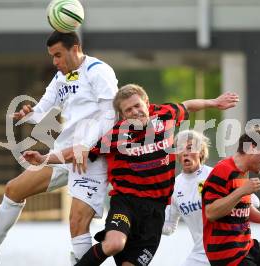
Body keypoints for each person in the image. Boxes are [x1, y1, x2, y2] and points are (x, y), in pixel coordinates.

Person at [23, 84, 239, 266]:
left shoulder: (164, 114)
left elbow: (188, 105)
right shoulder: (116, 135)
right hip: (126, 203)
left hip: (155, 211)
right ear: (122, 115)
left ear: (147, 102)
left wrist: (215, 102)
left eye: (138, 105)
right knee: (114, 243)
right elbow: (78, 152)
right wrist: (45, 158)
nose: (135, 112)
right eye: (128, 110)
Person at [0, 31, 118, 266]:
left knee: (77, 224)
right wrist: (28, 115)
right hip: (64, 154)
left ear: (75, 48)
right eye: (52, 56)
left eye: (58, 55)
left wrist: (84, 144)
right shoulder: (61, 78)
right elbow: (42, 110)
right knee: (14, 189)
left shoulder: (99, 71)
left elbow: (110, 114)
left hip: (90, 159)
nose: (55, 62)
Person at [202, 127, 260, 266]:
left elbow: (242, 208)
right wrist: (241, 191)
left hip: (247, 246)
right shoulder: (223, 170)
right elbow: (211, 212)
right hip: (227, 254)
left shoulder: (243, 172)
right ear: (253, 148)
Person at [162, 130, 260, 266]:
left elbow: (254, 201)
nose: (185, 152)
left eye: (190, 147)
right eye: (180, 148)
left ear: (201, 151)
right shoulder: (174, 187)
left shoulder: (216, 174)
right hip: (200, 254)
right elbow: (169, 227)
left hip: (229, 249)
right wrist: (146, 220)